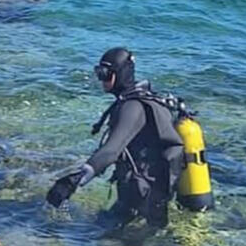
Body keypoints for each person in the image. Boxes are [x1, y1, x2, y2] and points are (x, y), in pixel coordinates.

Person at [47, 47, 185, 228]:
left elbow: (111, 150)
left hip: (143, 199)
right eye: (98, 72)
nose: (101, 79)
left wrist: (73, 182)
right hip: (147, 194)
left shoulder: (133, 107)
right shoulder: (138, 100)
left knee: (106, 241)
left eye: (104, 74)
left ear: (120, 74)